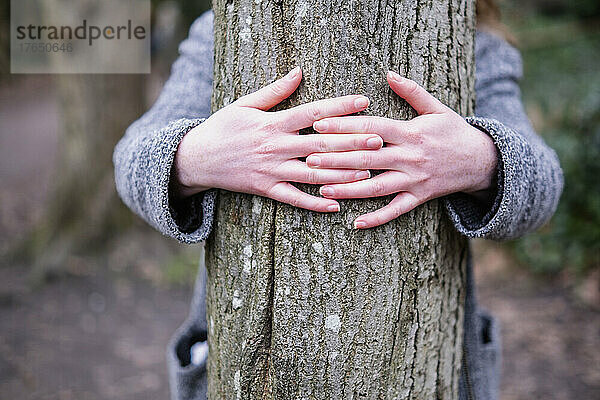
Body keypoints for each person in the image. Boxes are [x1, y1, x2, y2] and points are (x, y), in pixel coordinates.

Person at [113, 4, 563, 400]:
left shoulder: (474, 39)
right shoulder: (223, 27)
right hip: (248, 357)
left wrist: (483, 160)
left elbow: (545, 186)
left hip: (427, 363)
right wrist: (194, 157)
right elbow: (130, 161)